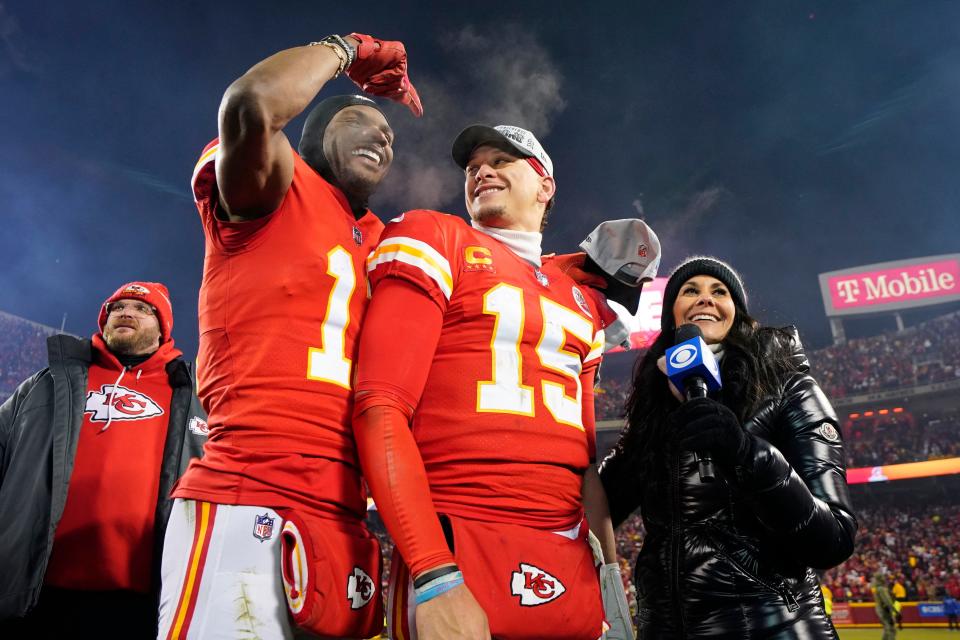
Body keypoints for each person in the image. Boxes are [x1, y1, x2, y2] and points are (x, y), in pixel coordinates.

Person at [158, 33, 421, 640]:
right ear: (312, 135)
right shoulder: (275, 188)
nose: (383, 137)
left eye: (390, 136)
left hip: (348, 515)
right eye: (362, 122)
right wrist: (347, 50)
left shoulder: (389, 242)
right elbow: (251, 103)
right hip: (249, 491)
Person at [353, 124, 627, 640]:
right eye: (474, 165)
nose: (483, 170)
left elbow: (585, 461)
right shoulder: (436, 235)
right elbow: (380, 406)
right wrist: (434, 573)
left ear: (545, 185)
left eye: (503, 160)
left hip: (568, 551)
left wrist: (610, 574)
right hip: (462, 537)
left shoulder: (580, 300)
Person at [600, 256, 858, 639]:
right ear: (672, 316)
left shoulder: (789, 388)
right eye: (690, 291)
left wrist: (746, 454)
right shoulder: (655, 407)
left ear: (736, 313)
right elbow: (600, 502)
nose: (705, 299)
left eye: (718, 291)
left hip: (774, 628)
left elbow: (833, 540)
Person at [0, 281, 207, 638]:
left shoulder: (195, 395)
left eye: (142, 309)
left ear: (164, 328)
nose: (126, 312)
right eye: (117, 307)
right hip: (36, 589)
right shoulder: (45, 384)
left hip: (143, 601)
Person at [873, 574, 898, 640]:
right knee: (891, 629)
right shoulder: (881, 589)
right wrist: (894, 611)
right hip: (884, 611)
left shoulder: (878, 588)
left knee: (887, 629)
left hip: (881, 610)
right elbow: (887, 601)